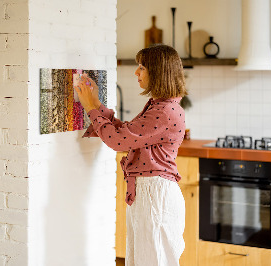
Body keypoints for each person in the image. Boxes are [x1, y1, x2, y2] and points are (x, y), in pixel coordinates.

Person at [75, 44, 187, 266]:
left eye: (142, 67)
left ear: (158, 72)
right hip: (150, 193)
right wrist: (96, 103)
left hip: (155, 195)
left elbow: (118, 141)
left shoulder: (164, 111)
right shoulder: (160, 106)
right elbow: (126, 133)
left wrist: (90, 108)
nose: (136, 72)